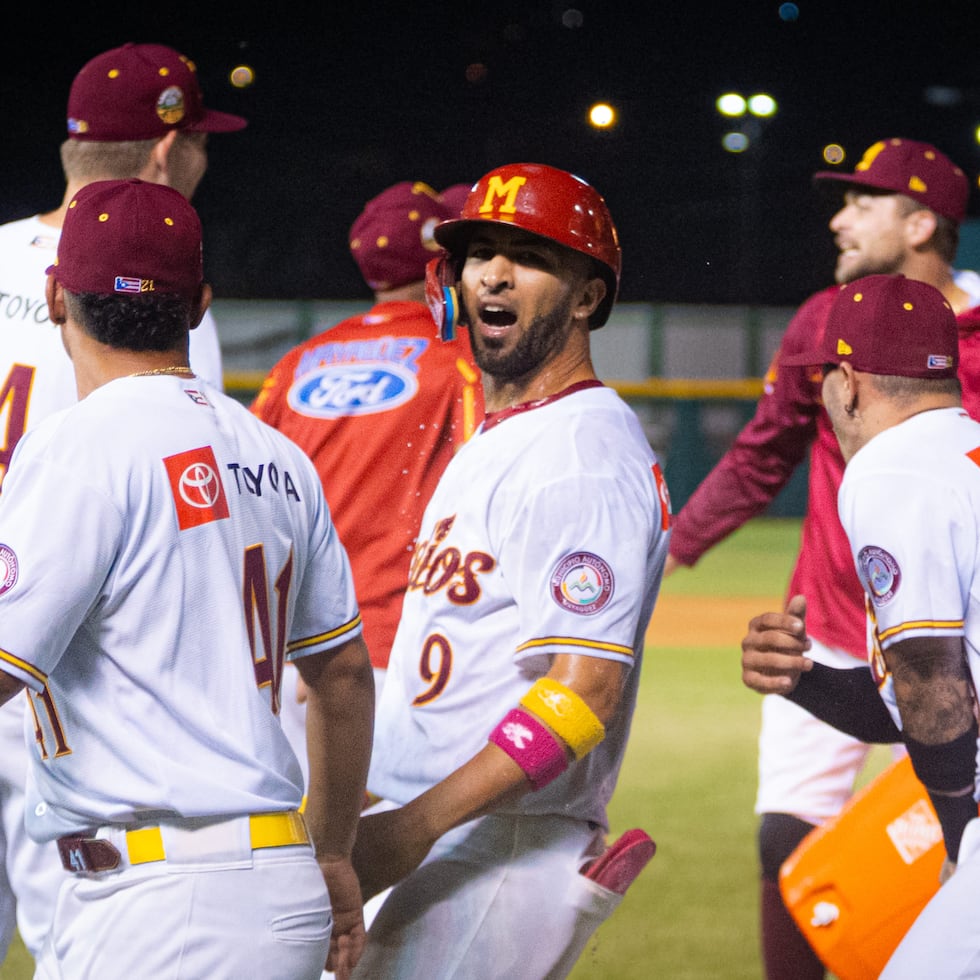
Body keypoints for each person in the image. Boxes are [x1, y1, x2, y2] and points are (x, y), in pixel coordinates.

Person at [0, 177, 374, 979]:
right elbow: (342, 676)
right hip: (272, 880)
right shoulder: (279, 456)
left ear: (57, 297)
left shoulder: (78, 448)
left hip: (160, 905)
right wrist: (336, 852)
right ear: (199, 304)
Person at [663, 137, 980, 978]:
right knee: (788, 840)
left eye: (861, 203)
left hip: (948, 642)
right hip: (841, 629)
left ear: (922, 223)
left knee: (938, 850)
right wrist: (676, 545)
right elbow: (763, 452)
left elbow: (933, 692)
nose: (838, 221)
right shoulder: (824, 319)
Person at [348, 162, 670, 979]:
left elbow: (586, 689)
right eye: (478, 251)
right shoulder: (507, 432)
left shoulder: (580, 451)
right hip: (442, 832)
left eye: (528, 254)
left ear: (588, 297)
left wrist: (415, 825)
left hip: (496, 845)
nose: (491, 271)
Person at [0, 42, 247, 964]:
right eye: (199, 144)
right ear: (163, 151)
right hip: (67, 684)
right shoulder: (160, 303)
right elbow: (189, 504)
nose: (203, 163)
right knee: (72, 949)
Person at [741, 272, 980, 977]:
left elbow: (933, 686)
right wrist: (804, 679)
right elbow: (912, 706)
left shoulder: (891, 469)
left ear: (846, 382)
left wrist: (956, 839)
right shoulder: (961, 453)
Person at [251, 179, 483, 746]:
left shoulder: (294, 366)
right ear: (442, 265)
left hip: (281, 653)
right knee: (388, 834)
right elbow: (485, 487)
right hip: (390, 649)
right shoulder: (461, 358)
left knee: (302, 835)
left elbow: (245, 502)